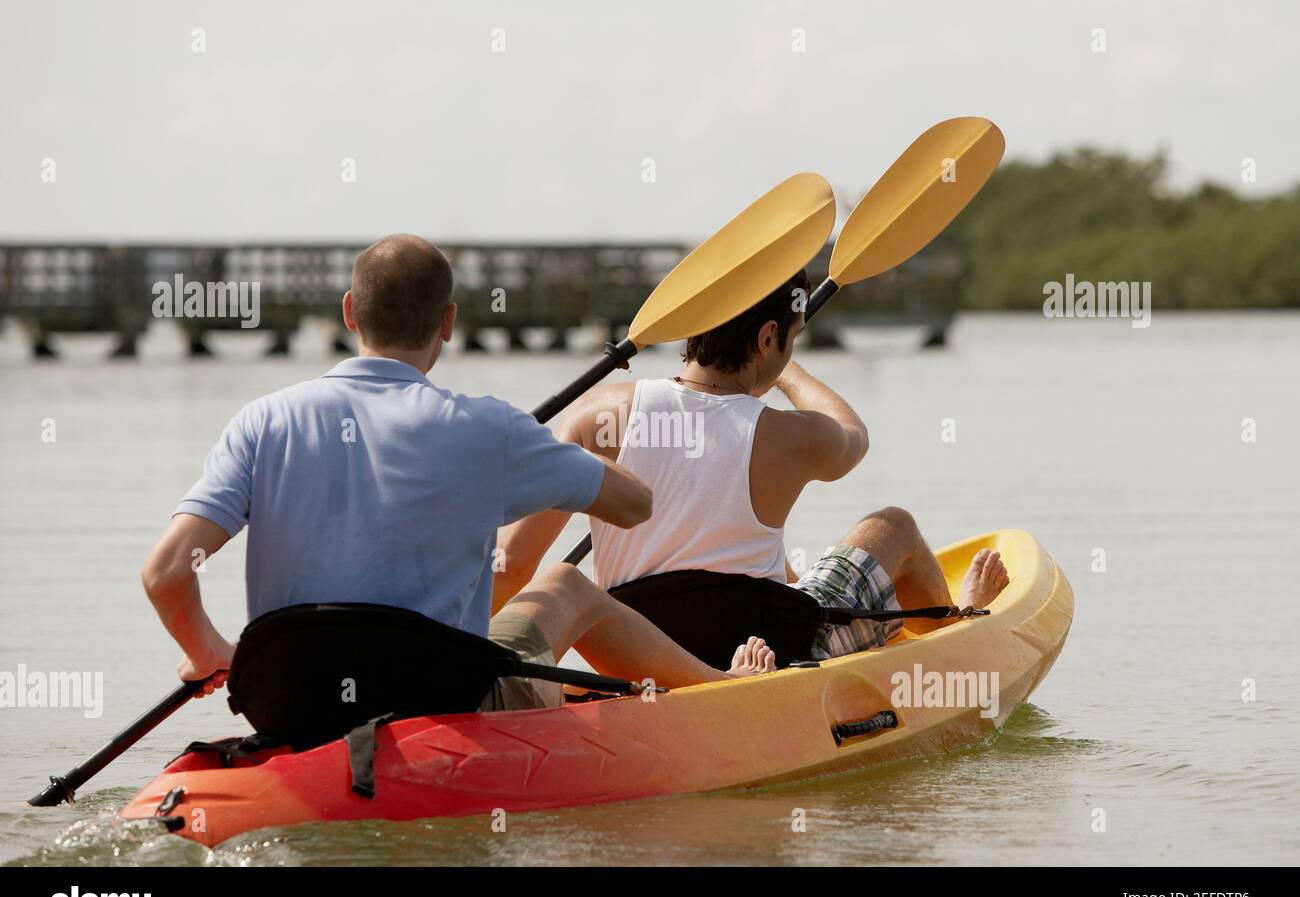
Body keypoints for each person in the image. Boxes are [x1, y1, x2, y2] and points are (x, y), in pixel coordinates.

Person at [140, 234, 774, 715]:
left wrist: (210, 653)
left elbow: (166, 574)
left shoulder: (260, 421)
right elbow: (635, 506)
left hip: (288, 698)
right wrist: (570, 450)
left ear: (349, 313)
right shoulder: (490, 430)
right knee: (566, 584)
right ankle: (726, 689)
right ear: (447, 322)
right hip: (439, 699)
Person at [494, 269, 1010, 669]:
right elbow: (854, 435)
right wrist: (786, 372)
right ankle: (956, 639)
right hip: (773, 647)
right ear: (767, 339)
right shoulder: (791, 435)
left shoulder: (597, 414)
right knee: (892, 525)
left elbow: (513, 561)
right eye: (791, 339)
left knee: (784, 571)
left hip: (635, 649)